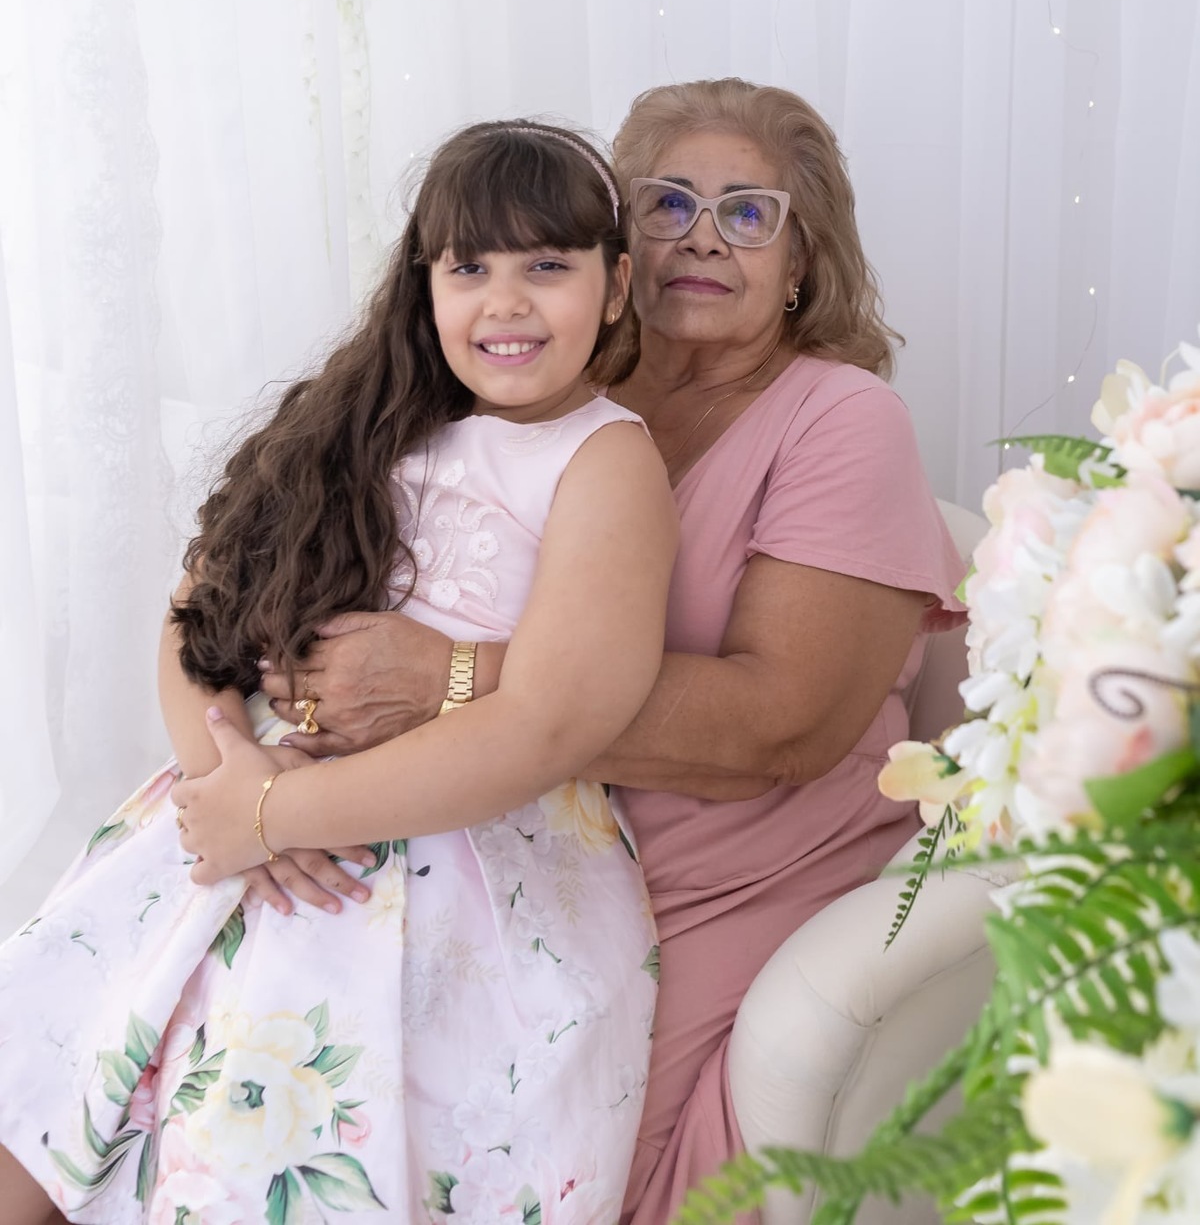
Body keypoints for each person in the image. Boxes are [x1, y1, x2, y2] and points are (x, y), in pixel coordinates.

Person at [258, 77, 968, 1222]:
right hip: (495, 836)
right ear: (617, 248)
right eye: (669, 202)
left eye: (749, 214)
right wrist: (264, 765)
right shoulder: (538, 388)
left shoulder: (842, 420)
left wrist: (441, 679)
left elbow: (780, 725)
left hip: (725, 871)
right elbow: (267, 576)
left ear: (803, 259)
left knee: (542, 1162)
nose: (704, 237)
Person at [0, 121, 677, 1225]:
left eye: (548, 266)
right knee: (60, 1053)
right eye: (470, 268)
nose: (505, 303)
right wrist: (227, 780)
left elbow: (551, 722)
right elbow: (197, 614)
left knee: (265, 1126)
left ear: (615, 288)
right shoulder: (364, 420)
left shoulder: (604, 458)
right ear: (425, 285)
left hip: (462, 851)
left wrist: (282, 816)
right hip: (241, 816)